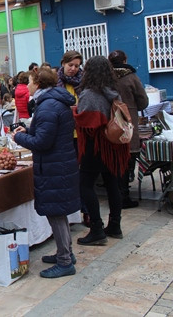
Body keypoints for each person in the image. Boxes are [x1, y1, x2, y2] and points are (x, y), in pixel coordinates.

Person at [13, 68, 79, 278]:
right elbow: (48, 132)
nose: (27, 86)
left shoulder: (48, 105)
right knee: (58, 212)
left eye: (31, 81)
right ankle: (65, 252)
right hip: (58, 164)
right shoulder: (52, 102)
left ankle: (65, 261)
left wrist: (19, 138)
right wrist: (29, 131)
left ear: (39, 84)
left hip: (54, 166)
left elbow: (43, 142)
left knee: (56, 213)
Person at [73, 56, 130, 245]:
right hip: (113, 146)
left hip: (96, 147)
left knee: (85, 185)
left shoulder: (89, 94)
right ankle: (115, 224)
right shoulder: (113, 92)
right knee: (112, 183)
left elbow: (86, 122)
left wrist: (73, 111)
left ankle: (96, 229)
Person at [108, 50, 149, 209]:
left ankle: (116, 194)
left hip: (110, 123)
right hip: (128, 122)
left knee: (114, 160)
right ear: (125, 60)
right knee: (127, 158)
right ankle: (124, 196)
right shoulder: (131, 77)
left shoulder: (105, 78)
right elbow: (143, 101)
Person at [56, 50, 86, 224]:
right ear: (63, 64)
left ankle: (84, 210)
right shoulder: (56, 83)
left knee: (81, 175)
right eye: (70, 65)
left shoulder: (83, 82)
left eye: (76, 66)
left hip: (81, 134)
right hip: (64, 134)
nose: (73, 69)